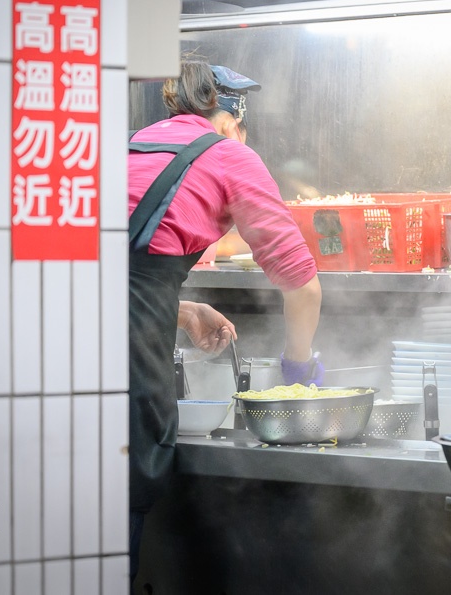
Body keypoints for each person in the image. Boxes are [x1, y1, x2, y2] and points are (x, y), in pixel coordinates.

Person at [127, 54, 324, 586]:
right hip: (118, 374)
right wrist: (298, 371)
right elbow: (302, 286)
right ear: (232, 118)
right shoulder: (229, 156)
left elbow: (98, 280)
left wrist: (182, 309)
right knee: (118, 495)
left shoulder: (131, 144)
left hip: (46, 344)